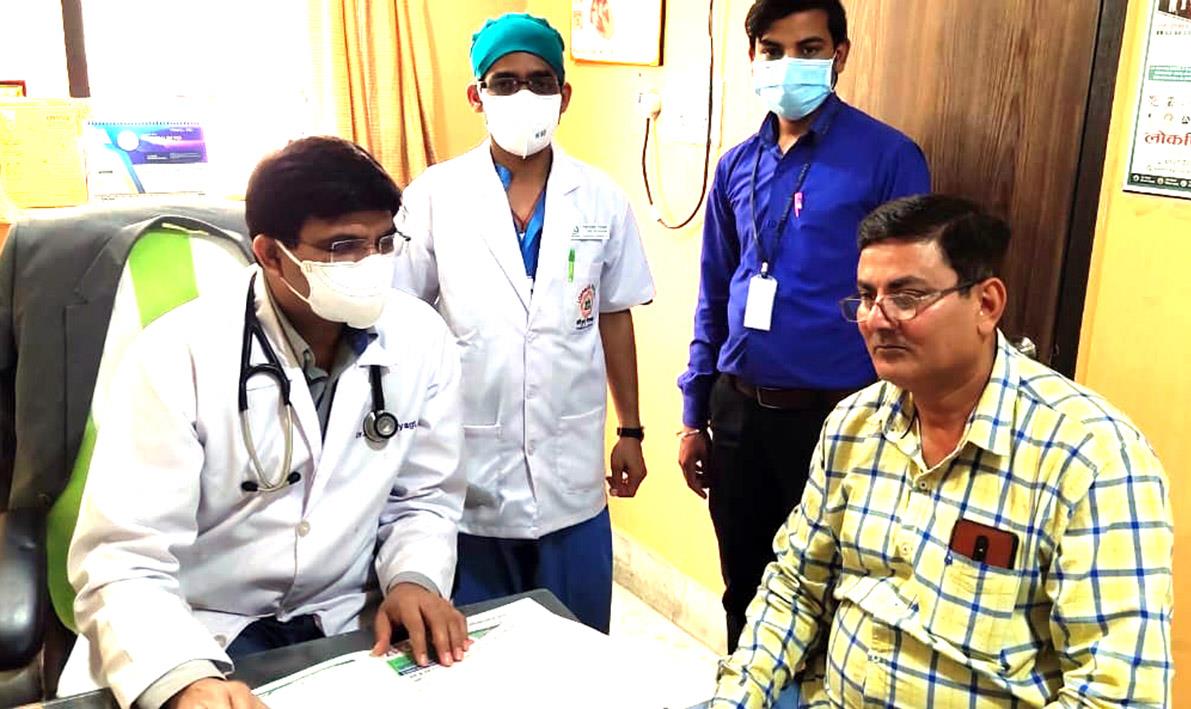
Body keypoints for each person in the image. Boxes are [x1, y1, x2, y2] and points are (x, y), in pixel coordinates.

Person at [711, 194, 1174, 708]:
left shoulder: (1092, 457)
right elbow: (796, 587)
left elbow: (1117, 695)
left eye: (906, 296)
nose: (877, 319)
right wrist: (736, 699)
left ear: (987, 304)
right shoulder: (853, 424)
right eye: (866, 296)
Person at [65, 137, 470, 709]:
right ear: (271, 255)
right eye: (344, 246)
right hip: (200, 627)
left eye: (384, 242)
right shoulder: (178, 353)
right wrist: (182, 679)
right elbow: (124, 554)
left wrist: (413, 578)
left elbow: (424, 500)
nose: (372, 263)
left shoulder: (421, 337)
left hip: (344, 625)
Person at [677, 0, 931, 651]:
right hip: (737, 414)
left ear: (839, 55)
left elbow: (912, 300)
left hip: (837, 420)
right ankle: (747, 689)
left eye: (810, 48)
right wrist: (693, 414)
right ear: (753, 55)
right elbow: (714, 292)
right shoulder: (736, 165)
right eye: (773, 49)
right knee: (745, 587)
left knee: (837, 597)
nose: (790, 63)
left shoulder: (887, 158)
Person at [394, 13, 654, 634]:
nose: (524, 94)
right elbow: (401, 323)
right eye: (504, 82)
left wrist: (631, 429)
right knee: (476, 653)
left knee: (578, 644)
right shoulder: (434, 195)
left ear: (564, 96)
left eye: (540, 81)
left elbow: (614, 316)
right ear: (476, 95)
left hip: (571, 475)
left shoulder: (600, 197)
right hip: (468, 473)